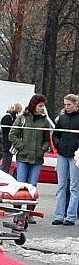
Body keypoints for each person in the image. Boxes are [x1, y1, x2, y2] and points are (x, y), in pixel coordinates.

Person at [9, 94, 52, 187]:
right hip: (22, 157)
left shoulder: (44, 121)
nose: (42, 108)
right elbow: (12, 135)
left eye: (43, 106)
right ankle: (19, 202)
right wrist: (21, 146)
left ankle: (30, 202)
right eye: (40, 106)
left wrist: (42, 150)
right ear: (33, 105)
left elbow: (47, 140)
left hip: (37, 158)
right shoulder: (22, 118)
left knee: (32, 185)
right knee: (21, 184)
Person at [52, 94, 79, 226]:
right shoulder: (61, 118)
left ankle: (71, 216)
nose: (66, 107)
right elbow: (56, 134)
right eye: (65, 104)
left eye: (69, 104)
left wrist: (76, 147)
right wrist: (58, 144)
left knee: (74, 186)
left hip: (75, 155)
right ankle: (58, 215)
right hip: (62, 154)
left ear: (75, 104)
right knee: (61, 186)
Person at [0, 103, 23, 174]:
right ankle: (3, 175)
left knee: (7, 163)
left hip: (8, 144)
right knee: (6, 163)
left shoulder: (11, 117)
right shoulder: (8, 118)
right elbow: (9, 131)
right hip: (7, 144)